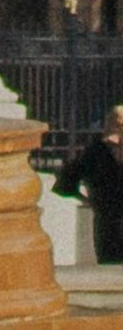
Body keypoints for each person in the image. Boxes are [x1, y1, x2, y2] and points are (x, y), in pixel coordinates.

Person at [55, 105, 123, 264]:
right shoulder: (94, 152)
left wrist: (90, 201)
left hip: (106, 223)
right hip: (108, 222)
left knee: (110, 268)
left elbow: (65, 183)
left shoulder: (94, 152)